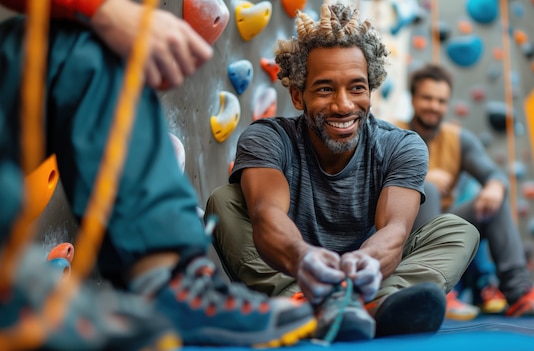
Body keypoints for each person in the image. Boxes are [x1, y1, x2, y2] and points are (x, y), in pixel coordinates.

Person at [0, 0, 316, 349]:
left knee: (80, 54)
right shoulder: (272, 138)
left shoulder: (387, 143)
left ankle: (170, 284)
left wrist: (100, 12)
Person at [206, 2, 480, 342]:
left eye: (357, 88)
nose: (344, 105)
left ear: (370, 88)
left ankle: (363, 304)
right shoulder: (267, 138)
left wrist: (366, 261)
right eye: (325, 89)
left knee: (459, 230)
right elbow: (266, 215)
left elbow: (395, 229)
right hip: (296, 271)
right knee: (224, 202)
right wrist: (303, 258)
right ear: (296, 95)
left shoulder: (403, 146)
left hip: (369, 275)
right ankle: (307, 301)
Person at [401, 63, 534, 317]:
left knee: (493, 202)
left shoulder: (458, 140)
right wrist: (420, 176)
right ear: (413, 98)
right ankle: (434, 291)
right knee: (429, 190)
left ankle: (519, 294)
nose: (434, 106)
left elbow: (493, 174)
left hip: (443, 232)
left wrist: (496, 187)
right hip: (400, 235)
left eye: (441, 100)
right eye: (427, 98)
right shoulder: (392, 133)